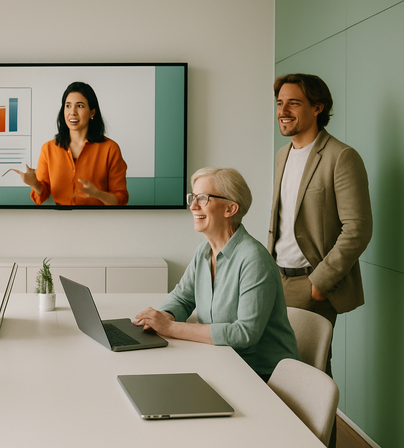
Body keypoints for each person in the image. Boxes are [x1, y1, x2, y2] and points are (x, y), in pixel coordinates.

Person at [135, 167, 299, 381]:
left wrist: (171, 327)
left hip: (264, 377)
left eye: (203, 199)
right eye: (193, 198)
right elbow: (183, 298)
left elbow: (245, 333)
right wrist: (164, 316)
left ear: (230, 208)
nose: (193, 206)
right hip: (222, 362)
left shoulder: (254, 259)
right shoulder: (203, 252)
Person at [268, 73, 372, 375]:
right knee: (276, 366)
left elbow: (358, 228)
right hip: (277, 279)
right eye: (279, 103)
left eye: (293, 104)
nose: (283, 111)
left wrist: (320, 283)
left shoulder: (342, 157)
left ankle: (320, 425)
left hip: (311, 282)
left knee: (308, 373)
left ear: (317, 108)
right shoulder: (282, 154)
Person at [12, 81, 128, 206]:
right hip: (61, 220)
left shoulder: (110, 149)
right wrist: (34, 183)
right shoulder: (48, 149)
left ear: (92, 112)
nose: (72, 112)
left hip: (97, 219)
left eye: (80, 106)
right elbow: (42, 196)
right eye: (68, 106)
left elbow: (121, 199)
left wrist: (98, 194)